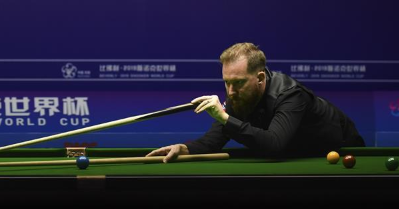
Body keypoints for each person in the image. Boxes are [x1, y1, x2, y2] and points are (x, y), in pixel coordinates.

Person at [147, 43, 365, 161]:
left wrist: (224, 117)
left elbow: (274, 145)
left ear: (260, 78)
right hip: (302, 153)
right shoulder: (238, 96)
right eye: (226, 82)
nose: (230, 91)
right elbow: (212, 142)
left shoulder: (290, 94)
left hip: (344, 148)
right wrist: (184, 148)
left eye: (238, 82)